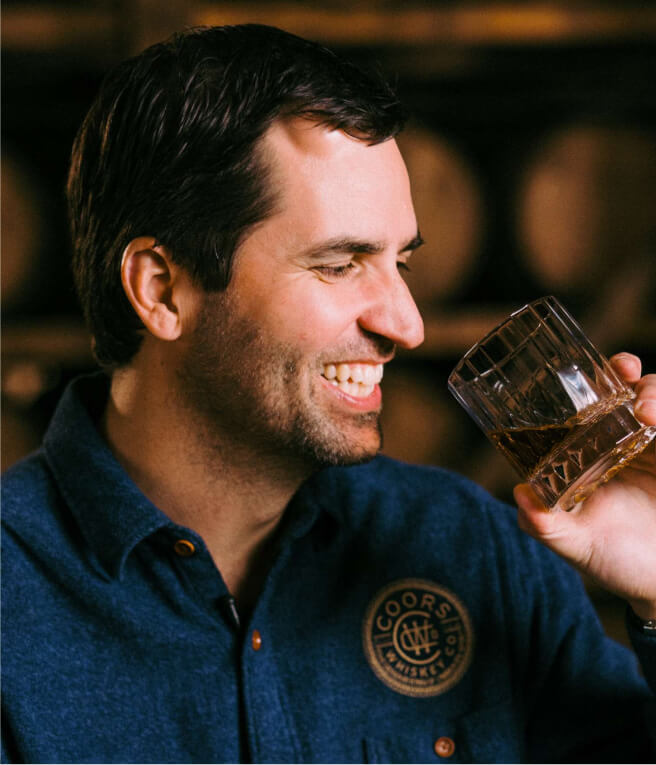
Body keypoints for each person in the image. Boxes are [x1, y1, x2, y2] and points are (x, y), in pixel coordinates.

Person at [2, 24, 655, 764]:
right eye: (341, 264)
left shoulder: (477, 547)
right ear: (162, 288)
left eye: (399, 262)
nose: (406, 325)